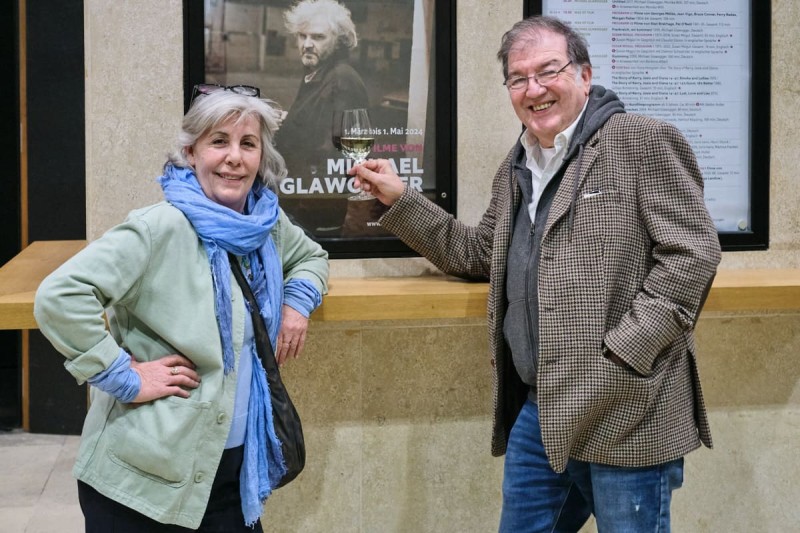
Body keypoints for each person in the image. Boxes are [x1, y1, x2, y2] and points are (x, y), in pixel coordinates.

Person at [352, 15, 721, 532]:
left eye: (549, 71)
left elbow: (693, 255)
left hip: (628, 408)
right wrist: (400, 200)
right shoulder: (518, 163)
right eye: (518, 78)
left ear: (584, 75)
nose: (534, 89)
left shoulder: (642, 141)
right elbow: (478, 254)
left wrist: (624, 354)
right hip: (540, 407)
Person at [33, 85, 329, 531]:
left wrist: (296, 304)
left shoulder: (265, 224)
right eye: (219, 141)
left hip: (229, 476)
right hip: (141, 484)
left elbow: (310, 258)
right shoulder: (159, 227)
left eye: (248, 144)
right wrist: (123, 375)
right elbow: (60, 296)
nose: (234, 157)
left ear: (261, 157)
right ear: (191, 153)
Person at [275, 0, 370, 236]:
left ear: (338, 42)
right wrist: (289, 120)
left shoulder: (342, 80)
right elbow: (316, 125)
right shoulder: (316, 72)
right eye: (302, 36)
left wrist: (301, 215)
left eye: (318, 37)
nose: (307, 44)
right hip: (300, 199)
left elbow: (335, 157)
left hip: (315, 212)